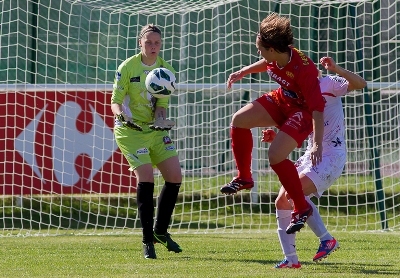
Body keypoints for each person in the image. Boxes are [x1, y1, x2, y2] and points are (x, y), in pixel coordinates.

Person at [220, 13, 325, 234]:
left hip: (302, 113)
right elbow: (267, 64)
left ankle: (302, 207)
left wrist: (317, 144)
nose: (259, 52)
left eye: (260, 49)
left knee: (275, 156)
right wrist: (243, 71)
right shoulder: (276, 57)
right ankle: (244, 177)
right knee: (239, 120)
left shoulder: (304, 69)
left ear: (272, 49)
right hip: (281, 100)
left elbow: (317, 109)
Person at [261, 57, 367, 268]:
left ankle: (327, 239)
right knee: (281, 200)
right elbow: (300, 124)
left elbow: (361, 84)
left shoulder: (327, 83)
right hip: (311, 153)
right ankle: (291, 260)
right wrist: (278, 137)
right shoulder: (298, 93)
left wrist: (337, 68)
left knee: (294, 194)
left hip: (330, 155)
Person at [111, 24, 182, 259]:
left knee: (175, 176)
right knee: (147, 177)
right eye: (149, 42)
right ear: (140, 43)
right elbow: (115, 101)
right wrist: (122, 115)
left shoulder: (166, 70)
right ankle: (146, 240)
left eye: (157, 43)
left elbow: (161, 107)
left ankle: (160, 232)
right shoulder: (127, 67)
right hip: (130, 131)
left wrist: (161, 120)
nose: (153, 47)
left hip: (153, 130)